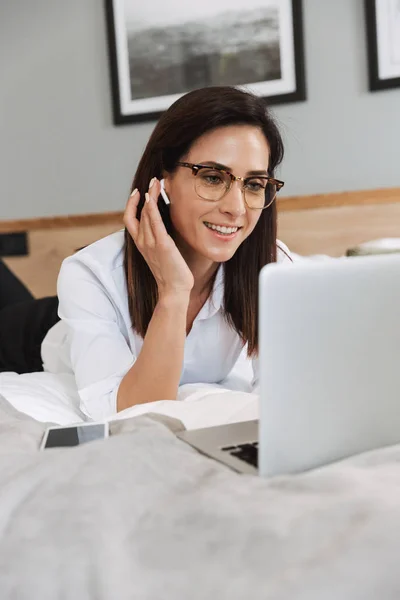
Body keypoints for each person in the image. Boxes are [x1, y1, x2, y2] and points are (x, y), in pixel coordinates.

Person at [0, 86, 291, 419]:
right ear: (162, 180)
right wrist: (174, 291)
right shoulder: (91, 274)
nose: (236, 208)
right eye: (212, 178)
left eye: (254, 184)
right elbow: (133, 413)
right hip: (29, 336)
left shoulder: (273, 270)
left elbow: (287, 394)